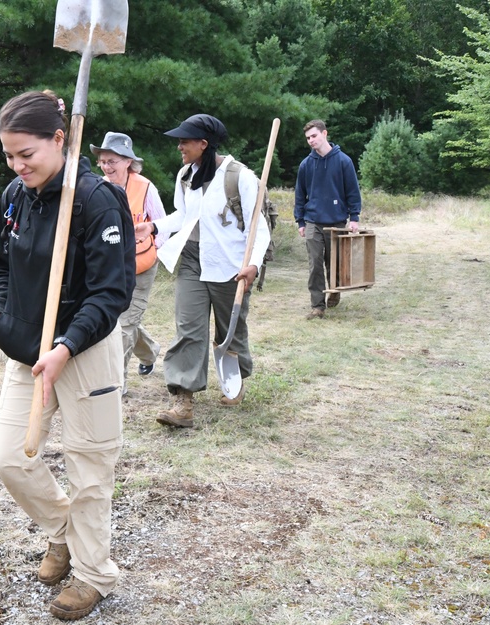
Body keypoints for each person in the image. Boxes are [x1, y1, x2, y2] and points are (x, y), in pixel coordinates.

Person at [0, 90, 135, 621]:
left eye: (26, 154)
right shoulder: (15, 194)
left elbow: (111, 292)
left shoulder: (97, 200)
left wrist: (68, 344)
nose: (17, 165)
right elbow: (0, 267)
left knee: (89, 469)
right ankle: (61, 534)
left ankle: (95, 576)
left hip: (86, 350)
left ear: (59, 139)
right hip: (26, 351)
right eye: (9, 155)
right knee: (10, 458)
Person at [153, 114, 270, 428]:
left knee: (229, 329)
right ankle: (183, 399)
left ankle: (235, 378)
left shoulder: (240, 177)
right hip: (192, 258)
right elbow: (183, 216)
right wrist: (152, 227)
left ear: (203, 144)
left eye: (185, 141)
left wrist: (253, 264)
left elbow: (260, 229)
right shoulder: (185, 175)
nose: (179, 146)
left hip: (230, 265)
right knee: (188, 329)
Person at [90, 131, 166, 389]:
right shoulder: (97, 188)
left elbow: (162, 225)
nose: (106, 166)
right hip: (110, 266)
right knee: (120, 320)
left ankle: (116, 385)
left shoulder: (145, 187)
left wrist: (160, 254)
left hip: (141, 265)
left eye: (112, 161)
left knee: (123, 326)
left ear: (127, 161)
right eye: (102, 161)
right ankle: (149, 351)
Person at [293, 119, 362, 319]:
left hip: (337, 221)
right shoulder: (306, 164)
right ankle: (317, 306)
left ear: (324, 134)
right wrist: (300, 221)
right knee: (315, 264)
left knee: (335, 264)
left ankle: (334, 292)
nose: (311, 141)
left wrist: (354, 218)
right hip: (313, 220)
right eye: (307, 138)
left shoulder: (343, 161)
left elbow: (352, 192)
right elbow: (300, 194)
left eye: (314, 136)